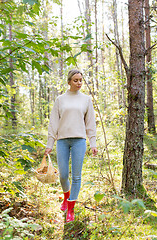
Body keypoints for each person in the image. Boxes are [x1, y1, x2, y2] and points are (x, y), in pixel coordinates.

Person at [44, 69, 98, 223]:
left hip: (79, 141)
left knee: (76, 176)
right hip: (62, 141)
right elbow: (53, 123)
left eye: (81, 80)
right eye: (75, 80)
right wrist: (50, 143)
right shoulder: (60, 99)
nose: (79, 83)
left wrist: (93, 143)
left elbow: (90, 123)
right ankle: (66, 197)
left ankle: (71, 209)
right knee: (62, 175)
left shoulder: (86, 100)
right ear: (69, 82)